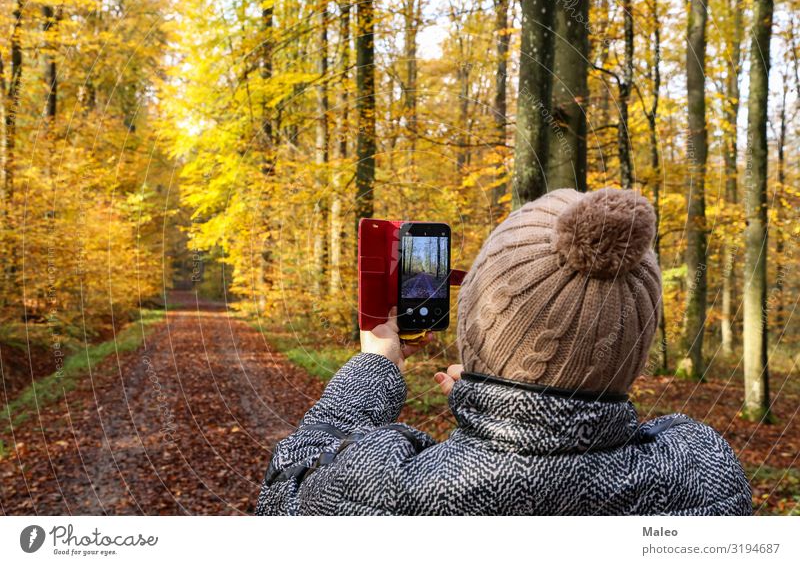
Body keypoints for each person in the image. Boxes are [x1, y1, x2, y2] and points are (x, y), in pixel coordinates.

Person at [254, 188, 752, 515]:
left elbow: (285, 489)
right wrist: (509, 408)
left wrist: (375, 365)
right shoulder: (703, 470)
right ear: (635, 349)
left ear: (476, 326)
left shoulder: (380, 491)